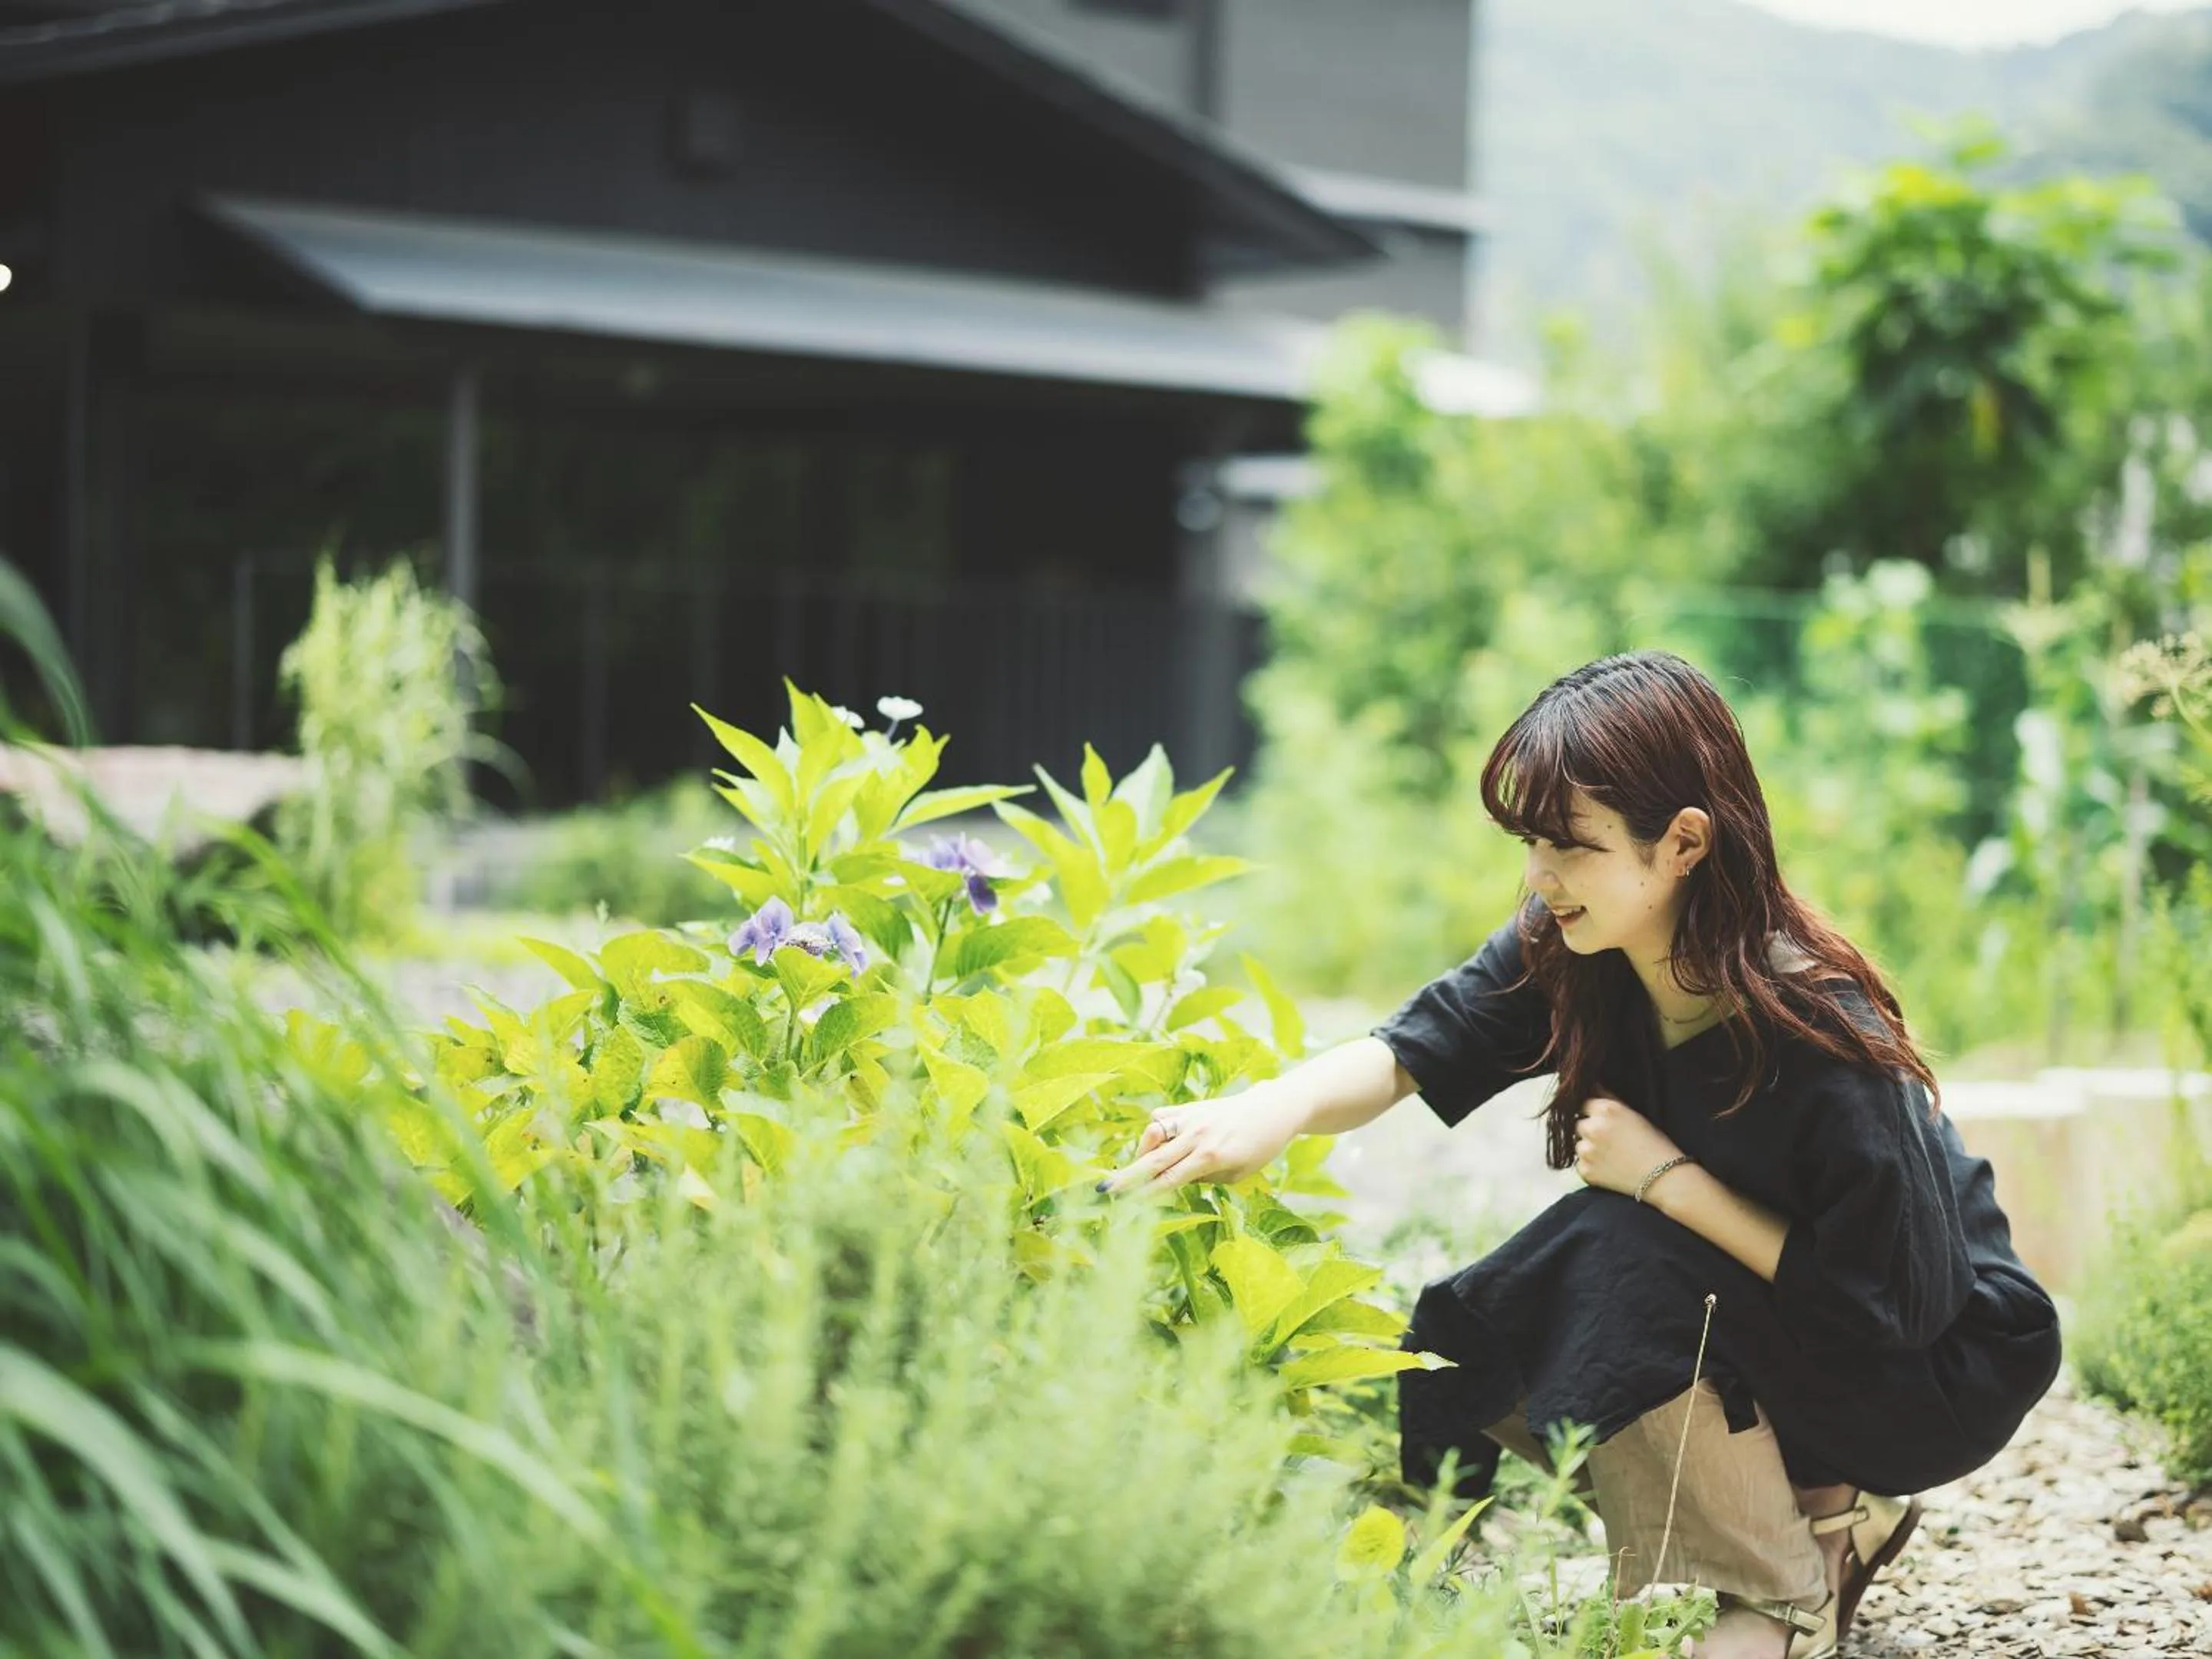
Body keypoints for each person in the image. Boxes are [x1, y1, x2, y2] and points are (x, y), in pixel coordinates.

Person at [1098, 651, 2061, 1659]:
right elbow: (1412, 1047)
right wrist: (1266, 1112)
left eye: (1571, 845)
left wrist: (1668, 1182)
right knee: (1504, 1316)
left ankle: (1774, 1596)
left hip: (1931, 1370)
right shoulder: (1575, 950)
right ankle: (1821, 1519)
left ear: (1684, 842)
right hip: (1797, 1324)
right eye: (1529, 842)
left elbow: (1893, 1304)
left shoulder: (1821, 1031)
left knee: (1619, 1254)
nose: (1539, 876)